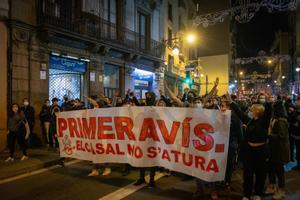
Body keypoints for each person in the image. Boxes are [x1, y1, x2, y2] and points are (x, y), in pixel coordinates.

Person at [227, 92, 272, 200]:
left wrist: (268, 101)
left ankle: (257, 193)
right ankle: (247, 194)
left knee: (261, 174)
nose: (250, 111)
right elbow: (241, 114)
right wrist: (231, 102)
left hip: (261, 151)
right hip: (249, 151)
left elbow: (269, 112)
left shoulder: (264, 122)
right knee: (248, 174)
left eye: (252, 110)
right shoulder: (250, 121)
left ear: (257, 111)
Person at [265, 100, 290, 199]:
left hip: (280, 150)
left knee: (279, 170)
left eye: (273, 107)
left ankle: (281, 189)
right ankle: (272, 186)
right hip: (273, 148)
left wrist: (270, 136)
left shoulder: (282, 120)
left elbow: (282, 136)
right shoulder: (274, 119)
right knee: (271, 168)